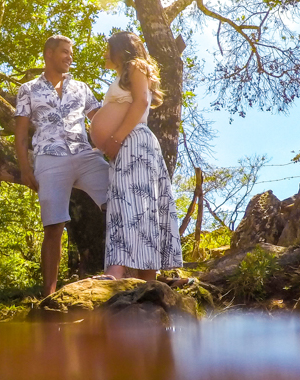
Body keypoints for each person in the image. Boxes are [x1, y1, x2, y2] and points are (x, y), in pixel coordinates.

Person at [14, 35, 110, 297]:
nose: (70, 56)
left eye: (71, 52)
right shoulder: (28, 89)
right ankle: (49, 297)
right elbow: (20, 134)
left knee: (121, 199)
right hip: (49, 157)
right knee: (54, 226)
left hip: (85, 154)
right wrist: (25, 169)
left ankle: (131, 273)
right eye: (65, 52)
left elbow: (100, 121)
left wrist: (116, 145)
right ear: (49, 53)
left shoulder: (82, 88)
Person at [90, 31, 183, 280]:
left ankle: (118, 271)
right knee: (136, 205)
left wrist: (116, 138)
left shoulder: (135, 66)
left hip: (133, 142)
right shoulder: (123, 74)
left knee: (131, 204)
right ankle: (145, 277)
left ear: (120, 49)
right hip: (127, 146)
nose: (105, 54)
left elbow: (141, 101)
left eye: (108, 48)